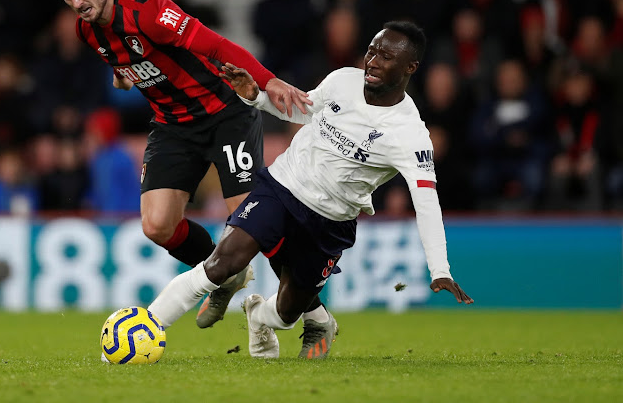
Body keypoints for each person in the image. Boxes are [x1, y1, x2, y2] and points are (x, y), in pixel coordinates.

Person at [148, 21, 473, 359]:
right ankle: (148, 324)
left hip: (330, 221)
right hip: (282, 186)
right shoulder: (342, 80)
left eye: (387, 57)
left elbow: (427, 204)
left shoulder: (410, 135)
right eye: (372, 51)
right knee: (223, 262)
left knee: (287, 313)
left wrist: (440, 270)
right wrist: (256, 98)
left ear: (410, 68)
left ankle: (259, 317)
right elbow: (304, 111)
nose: (373, 61)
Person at [44, 0, 312, 328]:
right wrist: (123, 75)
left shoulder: (148, 10)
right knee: (157, 225)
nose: (76, 3)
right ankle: (226, 274)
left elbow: (216, 44)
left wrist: (268, 82)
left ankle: (315, 313)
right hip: (173, 125)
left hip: (224, 113)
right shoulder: (88, 32)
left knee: (251, 221)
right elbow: (127, 58)